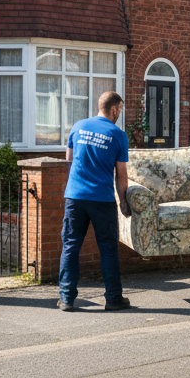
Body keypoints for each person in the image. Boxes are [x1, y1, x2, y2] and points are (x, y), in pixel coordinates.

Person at [59, 91, 133, 312]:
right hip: (102, 199)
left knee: (71, 246)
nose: (120, 113)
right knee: (108, 248)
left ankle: (66, 299)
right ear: (114, 109)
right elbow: (121, 174)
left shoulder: (78, 126)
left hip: (75, 197)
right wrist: (123, 202)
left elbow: (69, 160)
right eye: (120, 109)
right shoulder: (118, 135)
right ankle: (113, 299)